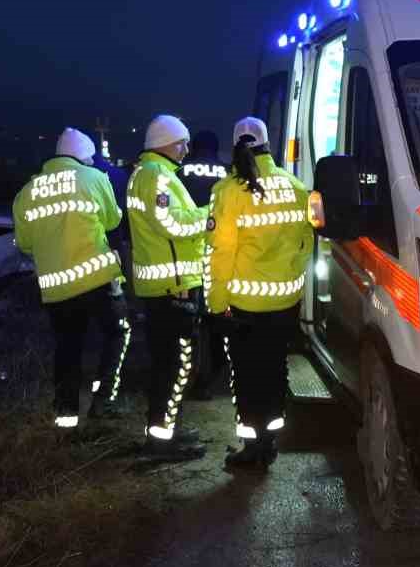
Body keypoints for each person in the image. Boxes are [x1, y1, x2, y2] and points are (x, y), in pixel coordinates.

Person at [206, 116, 314, 468]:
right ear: (268, 143)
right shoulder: (296, 186)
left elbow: (221, 254)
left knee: (247, 375)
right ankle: (269, 441)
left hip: (244, 304)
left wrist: (216, 303)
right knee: (274, 369)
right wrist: (291, 279)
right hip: (285, 301)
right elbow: (306, 242)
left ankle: (252, 447)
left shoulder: (227, 191)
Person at [11, 127, 131, 431]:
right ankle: (103, 399)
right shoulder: (94, 178)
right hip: (97, 280)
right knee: (118, 333)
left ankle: (66, 421)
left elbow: (25, 244)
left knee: (68, 349)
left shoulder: (26, 192)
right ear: (84, 157)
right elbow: (113, 219)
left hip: (56, 289)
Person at [126, 114, 211, 449]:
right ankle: (162, 438)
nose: (187, 149)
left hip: (159, 285)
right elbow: (173, 225)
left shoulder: (143, 175)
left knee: (166, 362)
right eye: (182, 142)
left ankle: (164, 429)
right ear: (166, 142)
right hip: (173, 286)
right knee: (175, 364)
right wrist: (210, 215)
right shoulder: (158, 178)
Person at [179, 129, 232, 399]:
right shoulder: (228, 172)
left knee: (190, 320)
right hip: (220, 252)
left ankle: (189, 376)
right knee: (216, 319)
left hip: (188, 256)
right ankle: (212, 376)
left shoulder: (179, 172)